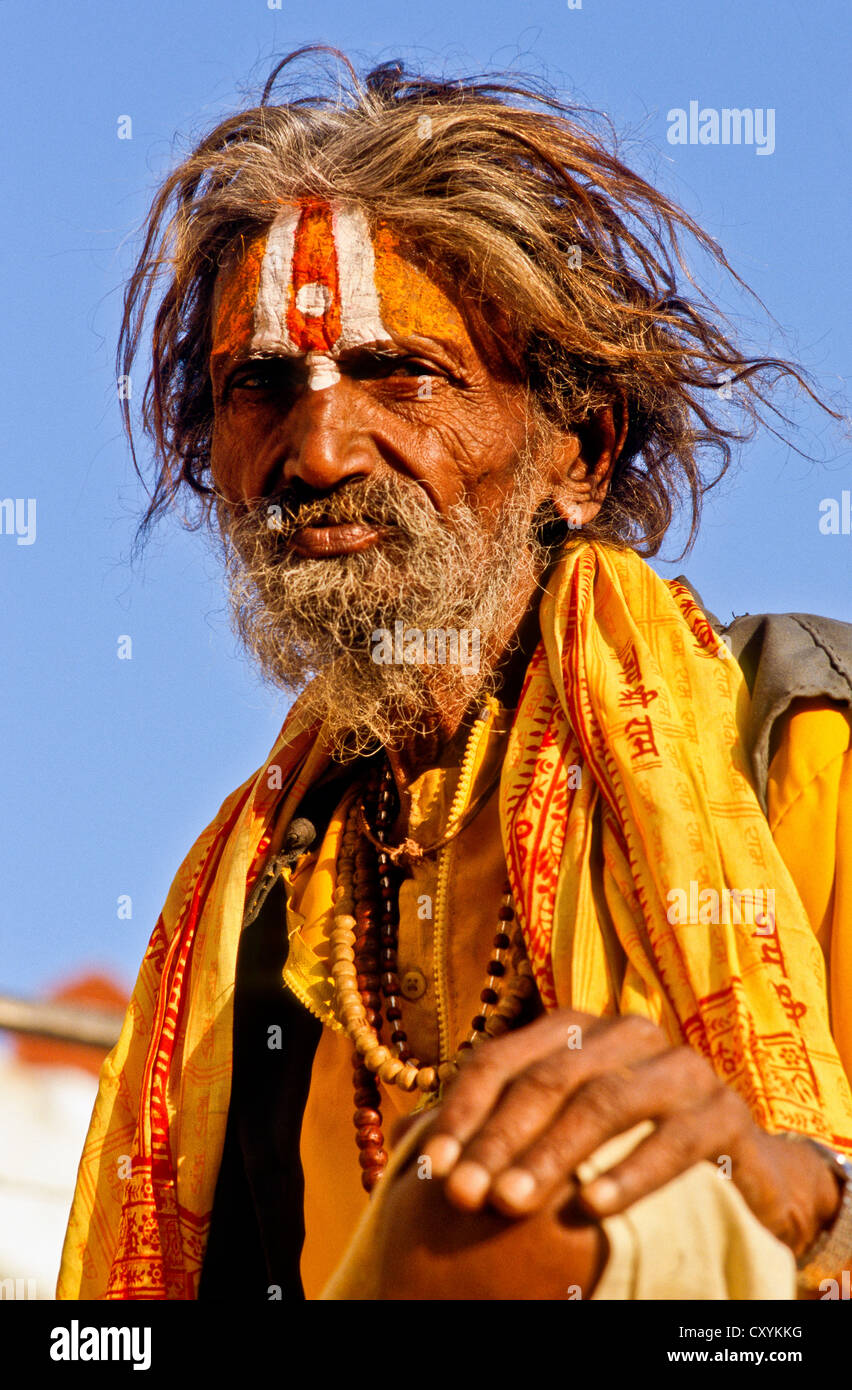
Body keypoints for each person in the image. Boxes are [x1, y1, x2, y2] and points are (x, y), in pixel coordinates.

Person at [58, 50, 852, 1302]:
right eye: (261, 386)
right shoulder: (259, 929)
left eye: (401, 375)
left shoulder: (804, 747)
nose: (315, 453)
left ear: (578, 454)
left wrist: (807, 1193)